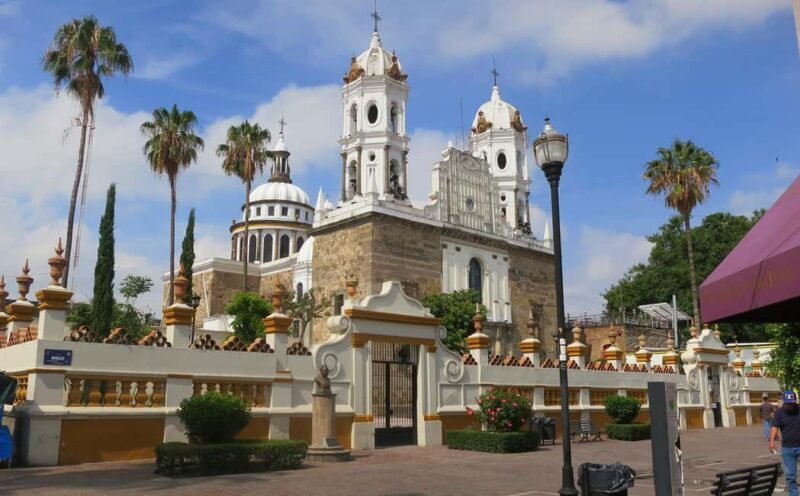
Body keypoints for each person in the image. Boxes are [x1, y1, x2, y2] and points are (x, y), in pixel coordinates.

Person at [771, 390, 800, 496]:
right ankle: (793, 494)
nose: (790, 405)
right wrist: (772, 442)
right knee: (790, 475)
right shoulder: (779, 412)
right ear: (784, 402)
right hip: (787, 448)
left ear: (795, 401)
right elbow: (774, 427)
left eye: (792, 402)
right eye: (788, 403)